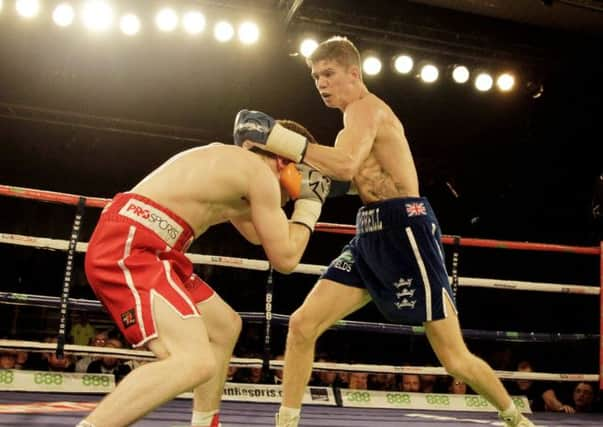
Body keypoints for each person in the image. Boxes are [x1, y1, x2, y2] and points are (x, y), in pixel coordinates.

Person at [233, 36, 534, 427]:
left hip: (406, 229)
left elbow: (342, 166)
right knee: (303, 325)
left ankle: (515, 419)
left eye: (328, 73)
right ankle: (286, 422)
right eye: (315, 76)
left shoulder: (367, 109)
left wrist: (277, 137)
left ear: (353, 73)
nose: (321, 83)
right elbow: (340, 179)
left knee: (453, 358)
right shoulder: (346, 132)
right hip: (369, 234)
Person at [78, 120, 331, 427]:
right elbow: (287, 259)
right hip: (133, 245)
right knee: (193, 362)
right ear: (285, 161)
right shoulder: (260, 174)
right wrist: (309, 206)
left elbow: (256, 235)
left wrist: (298, 198)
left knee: (223, 327)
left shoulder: (233, 166)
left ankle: (205, 423)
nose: (296, 190)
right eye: (304, 174)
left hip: (155, 247)